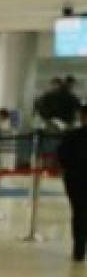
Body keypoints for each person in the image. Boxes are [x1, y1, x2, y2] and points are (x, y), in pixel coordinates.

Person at [56, 103, 87, 262]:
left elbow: (62, 157)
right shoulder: (72, 136)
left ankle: (79, 250)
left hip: (76, 180)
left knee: (80, 214)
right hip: (77, 180)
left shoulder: (72, 136)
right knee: (81, 213)